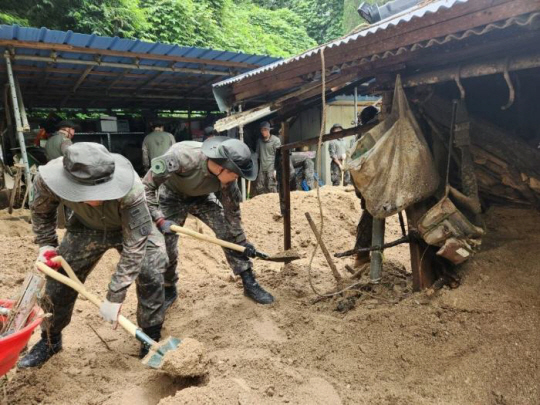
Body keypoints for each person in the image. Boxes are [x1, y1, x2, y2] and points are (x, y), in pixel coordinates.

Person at [18, 143, 168, 368]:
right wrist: (46, 245)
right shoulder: (47, 180)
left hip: (130, 227)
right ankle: (50, 340)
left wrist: (115, 295)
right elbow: (41, 212)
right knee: (58, 282)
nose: (97, 199)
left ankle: (151, 335)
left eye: (103, 191)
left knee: (152, 271)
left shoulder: (131, 187)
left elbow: (135, 244)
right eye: (88, 193)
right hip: (85, 227)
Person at [142, 137, 274, 305]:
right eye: (234, 174)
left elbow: (232, 213)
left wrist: (242, 241)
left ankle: (249, 282)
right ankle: (169, 287)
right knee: (167, 245)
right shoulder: (182, 157)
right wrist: (159, 219)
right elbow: (146, 187)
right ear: (222, 167)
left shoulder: (228, 182)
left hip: (202, 198)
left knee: (227, 233)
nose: (235, 179)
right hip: (171, 197)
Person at [254, 121, 280, 195]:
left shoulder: (276, 141)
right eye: (262, 130)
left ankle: (275, 203)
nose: (263, 132)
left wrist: (276, 170)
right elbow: (257, 154)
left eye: (265, 129)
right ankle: (265, 204)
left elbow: (279, 156)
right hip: (262, 168)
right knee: (259, 187)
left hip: (271, 168)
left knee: (271, 187)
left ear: (269, 130)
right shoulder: (259, 141)